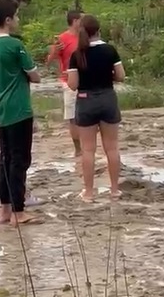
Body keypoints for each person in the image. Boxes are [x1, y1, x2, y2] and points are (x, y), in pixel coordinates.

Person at [0, 0, 41, 225]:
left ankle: (5, 209)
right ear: (8, 20)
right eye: (16, 16)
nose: (18, 20)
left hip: (1, 107)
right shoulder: (15, 45)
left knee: (5, 159)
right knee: (19, 160)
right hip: (19, 107)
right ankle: (19, 212)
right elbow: (35, 75)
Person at [67, 15, 124, 203]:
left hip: (86, 100)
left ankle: (89, 192)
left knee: (88, 150)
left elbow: (73, 85)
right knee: (112, 148)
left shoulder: (77, 55)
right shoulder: (109, 50)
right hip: (107, 97)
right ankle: (114, 190)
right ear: (99, 30)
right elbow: (121, 76)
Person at [47, 10, 83, 160]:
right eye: (82, 19)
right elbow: (48, 62)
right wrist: (55, 51)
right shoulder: (62, 39)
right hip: (68, 81)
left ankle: (87, 146)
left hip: (87, 80)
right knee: (72, 117)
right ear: (75, 21)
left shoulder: (85, 37)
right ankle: (78, 149)